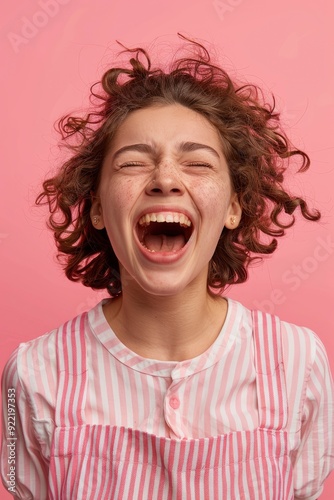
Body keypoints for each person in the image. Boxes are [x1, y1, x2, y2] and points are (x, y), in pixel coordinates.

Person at [1, 35, 333, 499]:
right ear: (96, 207)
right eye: (134, 163)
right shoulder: (32, 374)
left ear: (235, 206)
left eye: (197, 163)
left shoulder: (299, 363)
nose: (165, 180)